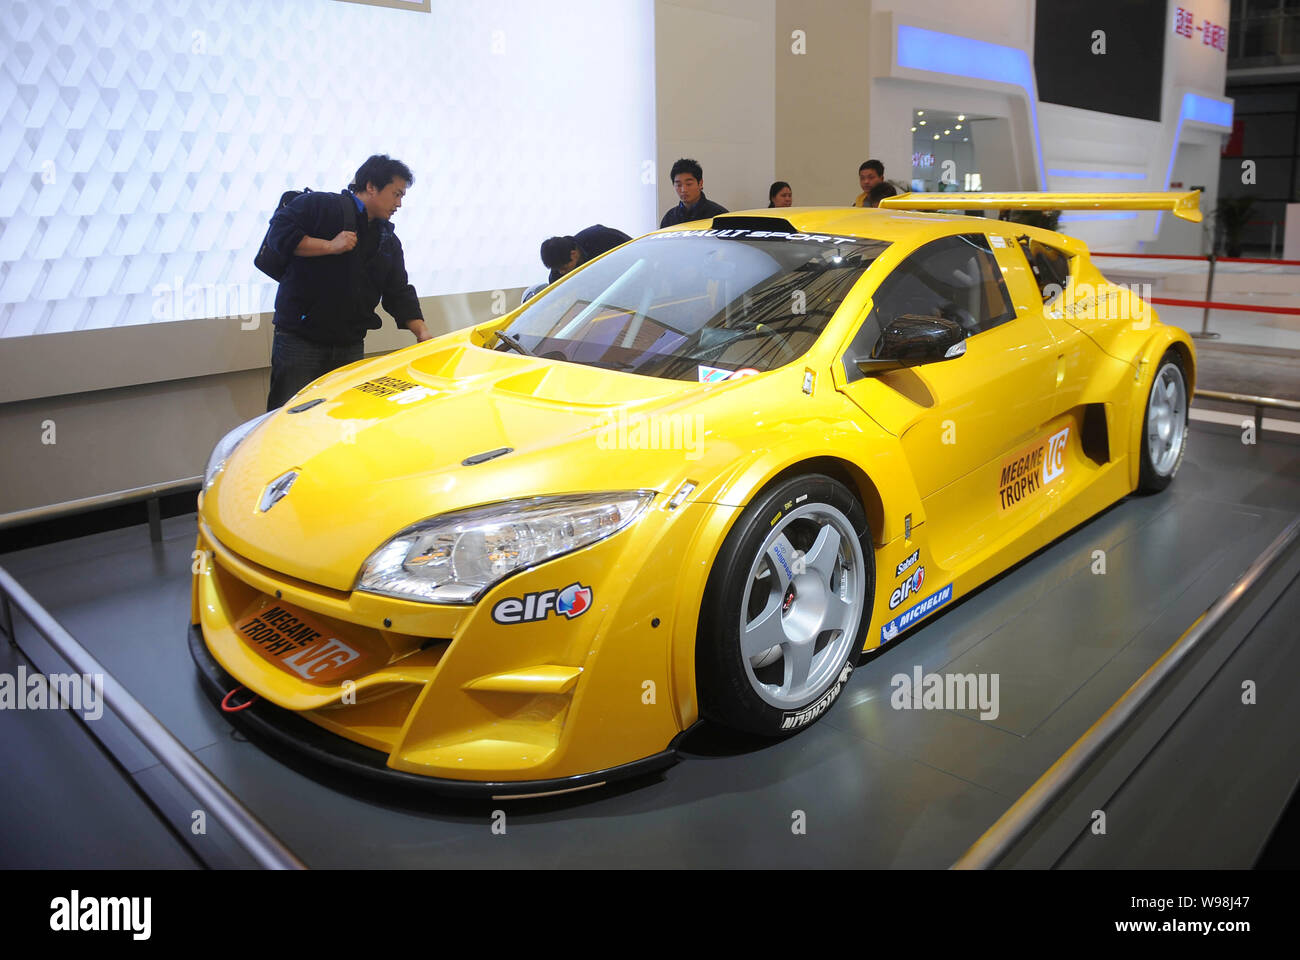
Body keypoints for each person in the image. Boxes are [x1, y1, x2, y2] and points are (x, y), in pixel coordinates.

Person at [262, 155, 430, 410]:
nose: (399, 204)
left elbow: (398, 290)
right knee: (288, 419)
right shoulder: (320, 205)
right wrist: (330, 246)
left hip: (349, 345)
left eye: (402, 197)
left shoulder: (387, 238)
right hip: (301, 341)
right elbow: (279, 235)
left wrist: (422, 332)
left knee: (340, 421)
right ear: (371, 186)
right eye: (396, 194)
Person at [539, 225, 632, 283]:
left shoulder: (602, 237)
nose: (562, 272)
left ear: (573, 254)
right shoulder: (557, 274)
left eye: (564, 268)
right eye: (557, 269)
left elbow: (635, 247)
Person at [660, 158, 728, 227]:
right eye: (679, 185)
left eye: (689, 184)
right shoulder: (669, 218)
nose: (683, 190)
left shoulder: (719, 216)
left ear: (700, 183)